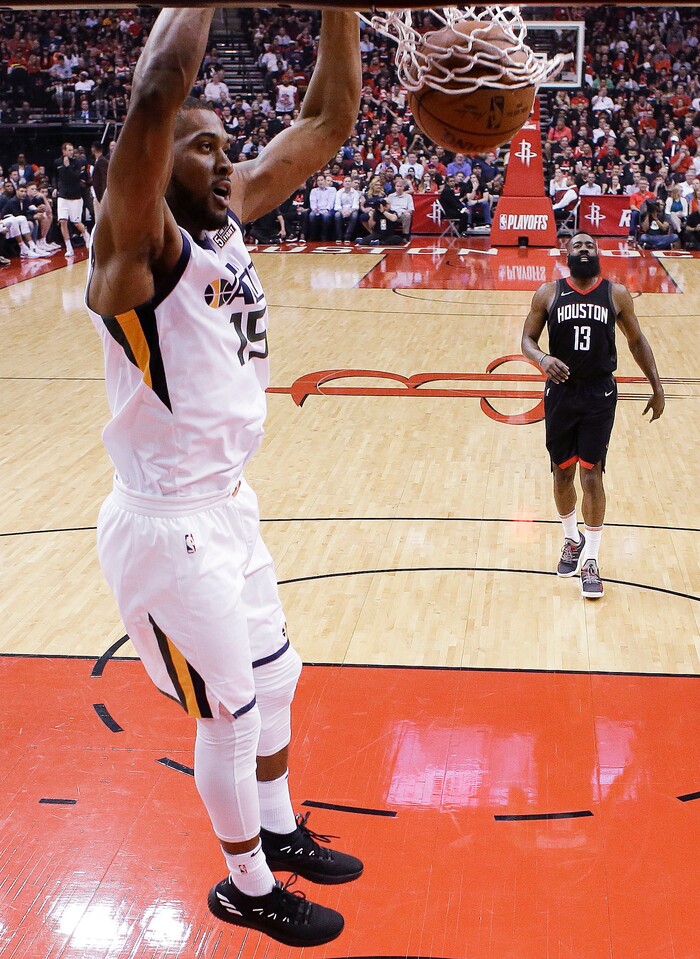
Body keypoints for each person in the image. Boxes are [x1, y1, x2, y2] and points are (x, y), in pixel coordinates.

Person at [86, 6, 362, 947]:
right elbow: (157, 88)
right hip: (167, 526)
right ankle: (246, 884)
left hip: (228, 506)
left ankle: (278, 831)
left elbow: (326, 121)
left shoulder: (224, 217)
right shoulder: (135, 254)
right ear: (155, 162)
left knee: (280, 679)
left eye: (227, 146)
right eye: (201, 146)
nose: (226, 161)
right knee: (231, 716)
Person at [521, 232, 664, 599]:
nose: (584, 249)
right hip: (561, 393)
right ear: (567, 254)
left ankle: (591, 560)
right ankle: (572, 540)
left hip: (599, 394)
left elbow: (636, 340)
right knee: (561, 472)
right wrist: (542, 359)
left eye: (589, 245)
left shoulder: (615, 294)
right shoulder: (548, 293)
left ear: (597, 253)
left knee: (592, 473)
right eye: (577, 246)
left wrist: (656, 385)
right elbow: (527, 341)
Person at [54, 142, 89, 257]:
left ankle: (86, 236)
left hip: (75, 196)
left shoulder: (78, 162)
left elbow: (75, 177)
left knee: (76, 222)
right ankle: (69, 248)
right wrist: (55, 187)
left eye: (72, 150)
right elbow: (56, 176)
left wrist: (67, 166)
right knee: (63, 221)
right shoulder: (57, 162)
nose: (71, 152)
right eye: (69, 150)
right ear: (63, 151)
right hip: (63, 196)